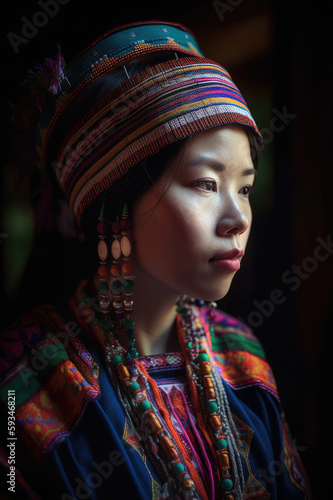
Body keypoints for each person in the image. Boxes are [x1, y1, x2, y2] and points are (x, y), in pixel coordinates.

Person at [0, 20, 311, 500]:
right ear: (117, 204)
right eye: (205, 183)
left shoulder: (240, 354)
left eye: (244, 188)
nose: (237, 218)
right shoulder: (24, 383)